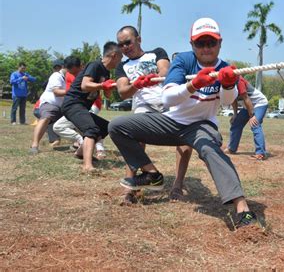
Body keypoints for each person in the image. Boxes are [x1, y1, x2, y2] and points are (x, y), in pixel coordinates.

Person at [109, 17, 258, 227]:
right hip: (172, 122)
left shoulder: (224, 67)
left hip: (201, 126)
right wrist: (194, 84)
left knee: (210, 149)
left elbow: (226, 102)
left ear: (220, 43)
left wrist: (228, 84)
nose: (206, 48)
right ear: (192, 44)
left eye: (211, 42)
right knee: (118, 126)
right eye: (200, 43)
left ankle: (243, 209)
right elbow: (168, 97)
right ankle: (151, 174)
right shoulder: (184, 61)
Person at [114, 25, 193, 204]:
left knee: (186, 140)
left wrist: (151, 76)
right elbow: (123, 91)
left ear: (139, 39)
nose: (125, 47)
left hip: (168, 102)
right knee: (131, 136)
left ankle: (178, 185)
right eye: (121, 45)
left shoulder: (157, 52)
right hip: (144, 107)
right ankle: (131, 188)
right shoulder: (122, 66)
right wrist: (137, 85)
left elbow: (165, 72)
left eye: (128, 42)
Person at [61, 42, 122, 173]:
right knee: (91, 129)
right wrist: (102, 85)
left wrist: (111, 86)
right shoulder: (95, 65)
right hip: (72, 104)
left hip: (82, 106)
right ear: (114, 55)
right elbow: (85, 85)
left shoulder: (106, 72)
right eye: (121, 57)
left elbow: (106, 94)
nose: (121, 60)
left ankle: (80, 152)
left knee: (106, 127)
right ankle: (87, 166)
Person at [53, 59, 107, 160]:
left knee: (94, 128)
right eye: (72, 72)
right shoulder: (69, 76)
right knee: (91, 128)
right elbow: (71, 91)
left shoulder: (91, 72)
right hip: (74, 106)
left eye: (77, 71)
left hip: (87, 106)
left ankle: (94, 149)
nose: (77, 74)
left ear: (81, 66)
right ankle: (85, 151)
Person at [29, 59, 80, 154]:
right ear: (65, 67)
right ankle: (34, 145)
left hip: (63, 107)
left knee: (78, 118)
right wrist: (73, 92)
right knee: (46, 117)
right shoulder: (56, 75)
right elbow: (57, 92)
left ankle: (77, 144)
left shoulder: (69, 78)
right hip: (50, 104)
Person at [223, 76, 269, 160]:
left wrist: (252, 115)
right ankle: (232, 148)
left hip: (259, 103)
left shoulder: (239, 82)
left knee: (255, 124)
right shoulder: (225, 84)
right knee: (236, 124)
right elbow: (233, 100)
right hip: (247, 106)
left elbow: (246, 98)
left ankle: (261, 153)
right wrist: (235, 114)